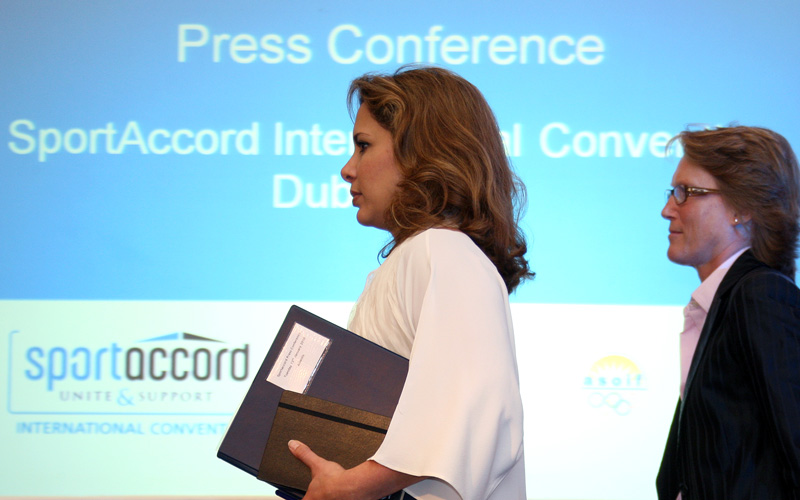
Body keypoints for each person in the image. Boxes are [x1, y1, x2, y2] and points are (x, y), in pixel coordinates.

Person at [286, 66, 533, 500]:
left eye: (364, 146)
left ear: (423, 153)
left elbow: (474, 409)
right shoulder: (419, 256)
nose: (348, 169)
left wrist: (352, 487)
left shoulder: (443, 250)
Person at [656, 125, 800, 500]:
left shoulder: (761, 295)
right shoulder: (727, 300)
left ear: (742, 208)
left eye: (686, 193)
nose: (667, 208)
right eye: (673, 192)